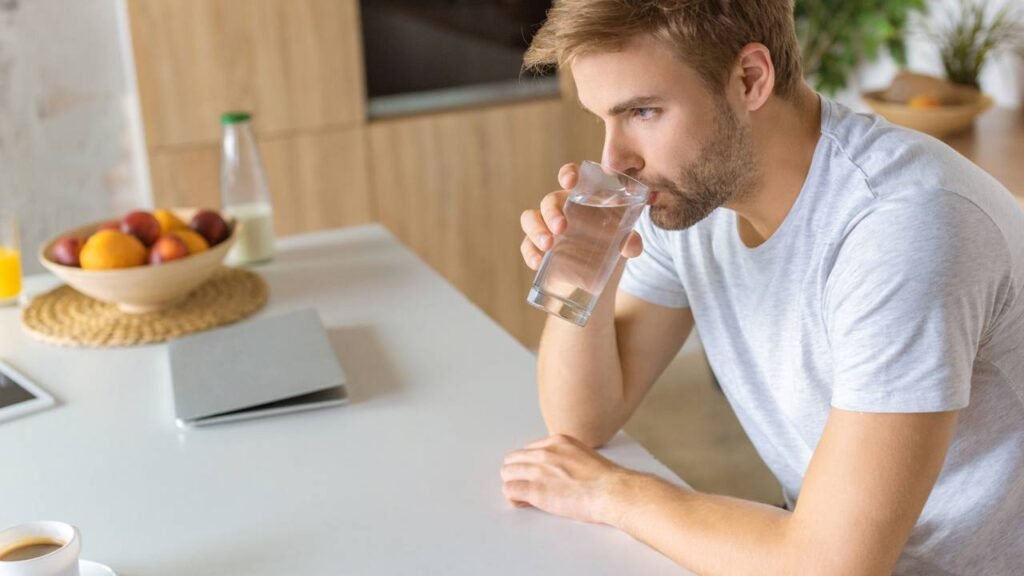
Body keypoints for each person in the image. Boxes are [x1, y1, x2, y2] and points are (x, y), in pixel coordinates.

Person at [500, 1, 1024, 574]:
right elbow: (581, 421)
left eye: (643, 112)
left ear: (751, 79)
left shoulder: (902, 227)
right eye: (604, 119)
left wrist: (612, 493)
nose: (614, 160)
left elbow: (830, 565)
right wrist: (584, 267)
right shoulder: (690, 195)